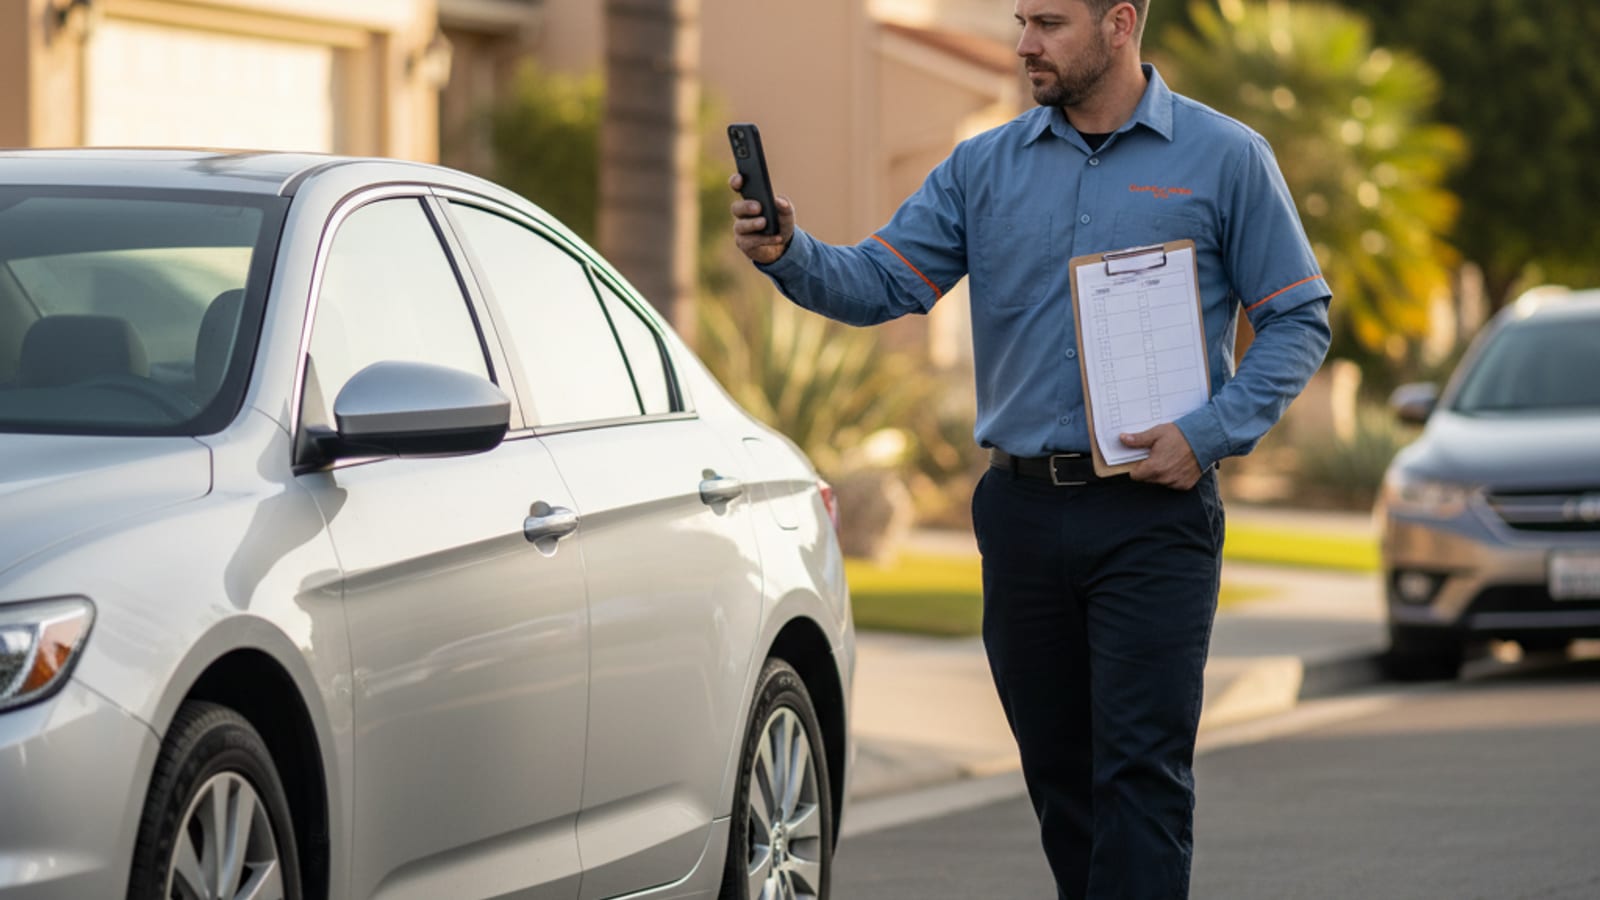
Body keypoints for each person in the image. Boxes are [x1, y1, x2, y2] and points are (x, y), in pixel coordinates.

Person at [730, 0, 1330, 895]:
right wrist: (789, 249)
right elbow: (884, 281)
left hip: (1152, 516)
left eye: (1048, 22)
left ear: (1120, 23)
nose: (1023, 44)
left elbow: (1296, 318)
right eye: (1021, 20)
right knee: (1061, 783)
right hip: (1020, 517)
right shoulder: (983, 167)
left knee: (1139, 776)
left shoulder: (1227, 158)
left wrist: (1208, 434)